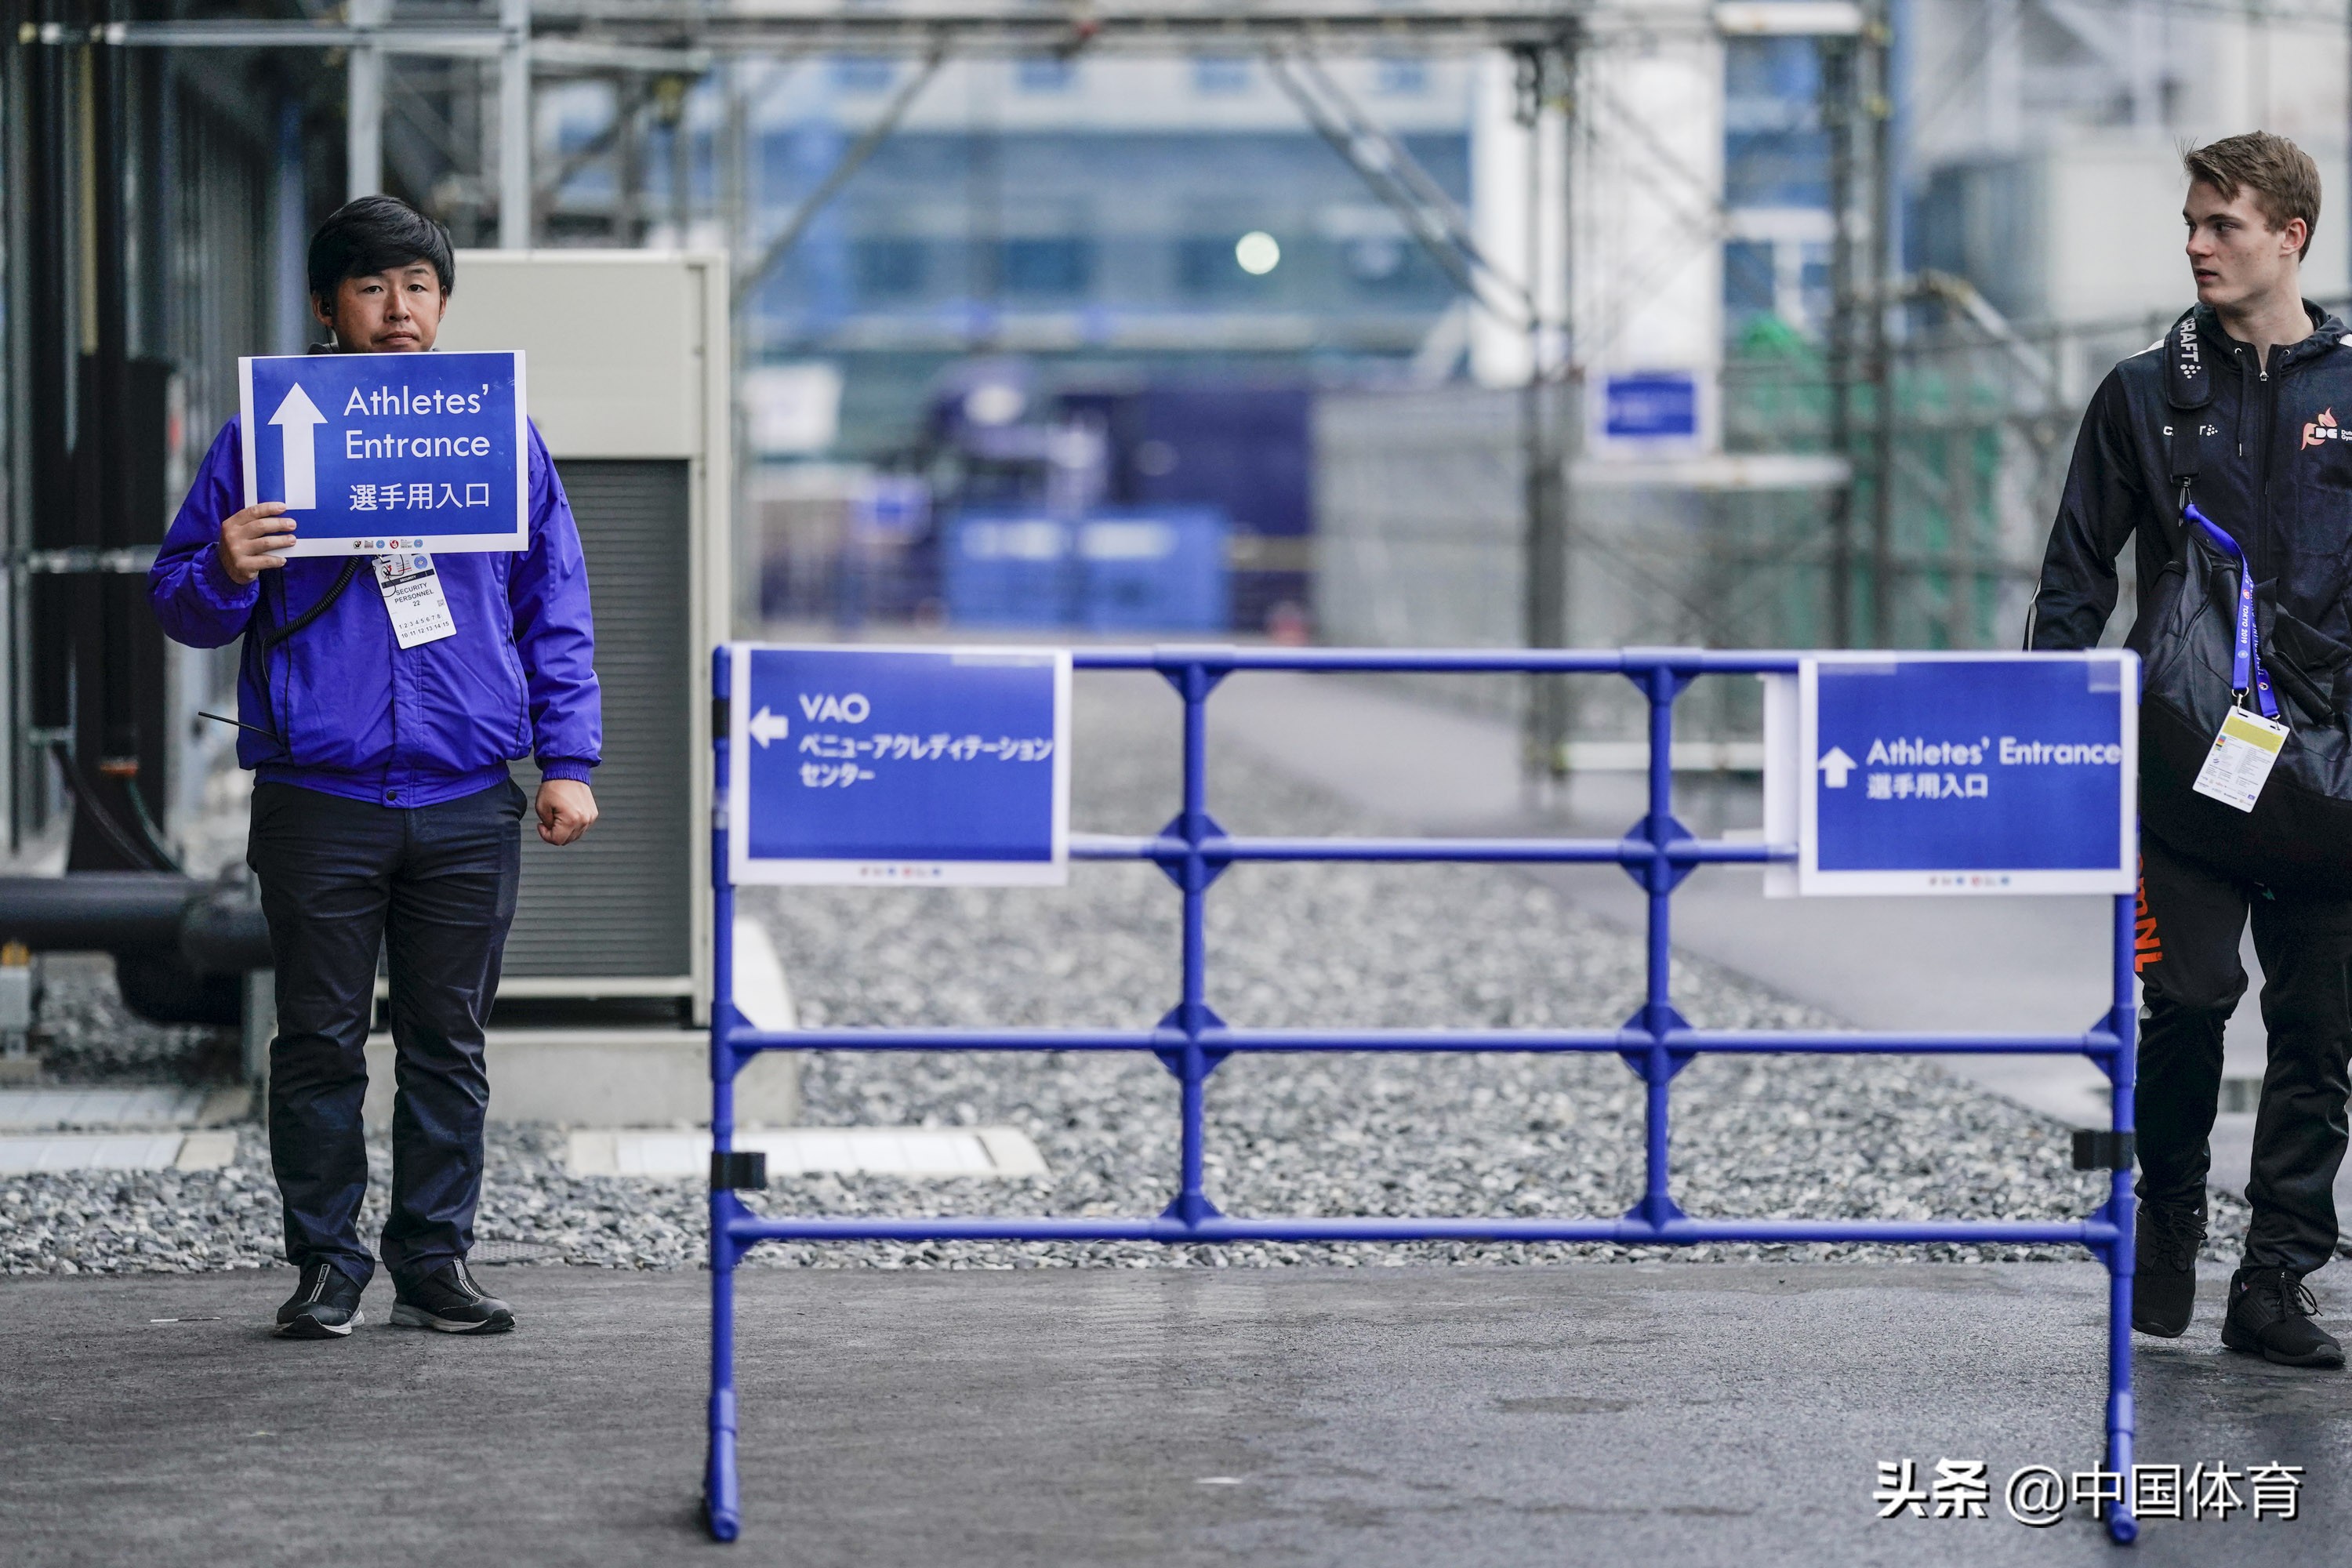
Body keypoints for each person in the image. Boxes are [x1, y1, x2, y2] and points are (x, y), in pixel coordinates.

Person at [148, 196, 601, 1340]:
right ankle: (327, 1264)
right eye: (372, 288)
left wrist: (569, 759)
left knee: (450, 1044)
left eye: (419, 287)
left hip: (466, 794)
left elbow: (555, 610)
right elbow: (181, 607)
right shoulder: (265, 435)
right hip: (320, 795)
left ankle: (435, 1260)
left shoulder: (501, 436)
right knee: (318, 1041)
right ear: (327, 307)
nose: (399, 310)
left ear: (444, 305)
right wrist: (226, 565)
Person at [2029, 132, 2350, 1369]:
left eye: (2222, 224)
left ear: (2291, 237)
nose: (2197, 244)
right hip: (2182, 770)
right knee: (2192, 998)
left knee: (2321, 1032)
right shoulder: (2145, 391)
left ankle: (2274, 1281)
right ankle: (2166, 1226)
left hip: (2332, 776)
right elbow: (2074, 574)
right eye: (2191, 222)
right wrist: (2055, 738)